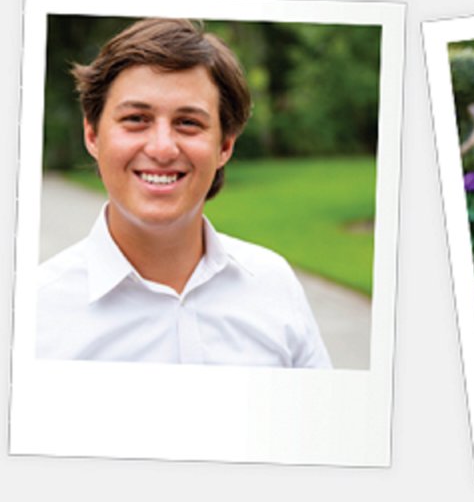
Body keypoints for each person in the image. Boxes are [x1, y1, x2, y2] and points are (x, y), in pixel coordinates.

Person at [37, 19, 331, 367]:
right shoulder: (34, 310)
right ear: (92, 136)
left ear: (224, 145)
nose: (162, 149)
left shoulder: (274, 285)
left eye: (188, 123)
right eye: (136, 118)